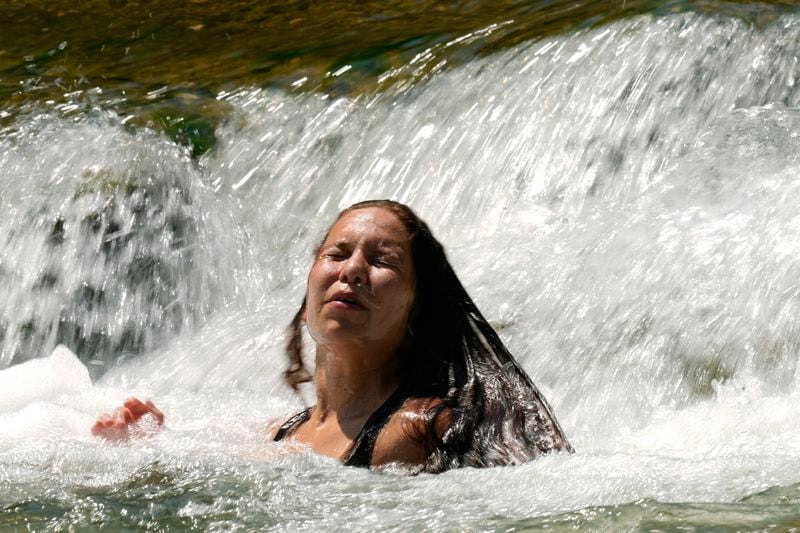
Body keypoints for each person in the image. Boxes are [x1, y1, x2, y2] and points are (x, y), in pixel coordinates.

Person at [93, 200, 572, 472]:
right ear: (306, 302)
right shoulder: (284, 430)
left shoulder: (414, 429)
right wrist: (146, 445)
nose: (353, 270)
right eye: (337, 254)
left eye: (382, 261)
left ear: (417, 308)